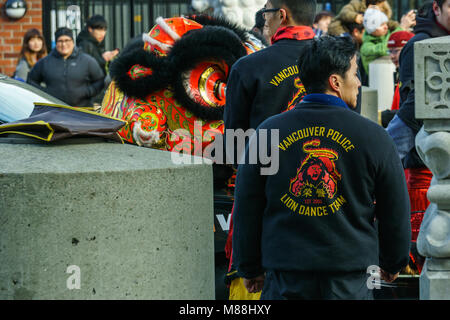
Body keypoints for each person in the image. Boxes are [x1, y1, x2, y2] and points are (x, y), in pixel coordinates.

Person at [232, 36, 411, 300]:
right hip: (349, 278)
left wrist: (249, 266)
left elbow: (247, 203)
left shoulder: (268, 132)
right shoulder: (373, 136)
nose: (359, 83)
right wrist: (393, 260)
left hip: (285, 276)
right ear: (335, 82)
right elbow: (394, 207)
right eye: (354, 74)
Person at [223, 0, 317, 300]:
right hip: (329, 197)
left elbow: (232, 145)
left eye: (265, 12)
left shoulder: (249, 67)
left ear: (281, 14)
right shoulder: (339, 61)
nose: (263, 19)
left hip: (267, 196)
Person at [386, 0, 450, 274]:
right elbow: (413, 109)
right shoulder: (420, 44)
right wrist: (388, 155)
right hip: (427, 168)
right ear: (437, 8)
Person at [28, 27, 105, 108]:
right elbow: (31, 81)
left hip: (83, 111)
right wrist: (45, 93)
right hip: (54, 111)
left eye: (67, 40)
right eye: (60, 41)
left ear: (72, 42)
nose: (63, 44)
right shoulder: (45, 62)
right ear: (56, 43)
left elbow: (100, 80)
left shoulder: (87, 60)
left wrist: (87, 92)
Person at [360, 7, 402, 75]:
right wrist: (402, 27)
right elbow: (385, 49)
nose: (386, 27)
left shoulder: (387, 35)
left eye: (386, 24)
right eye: (381, 25)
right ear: (372, 29)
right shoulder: (365, 47)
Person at [328, 0, 399, 36]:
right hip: (347, 33)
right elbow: (344, 13)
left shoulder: (383, 9)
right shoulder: (357, 3)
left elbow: (388, 23)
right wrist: (355, 17)